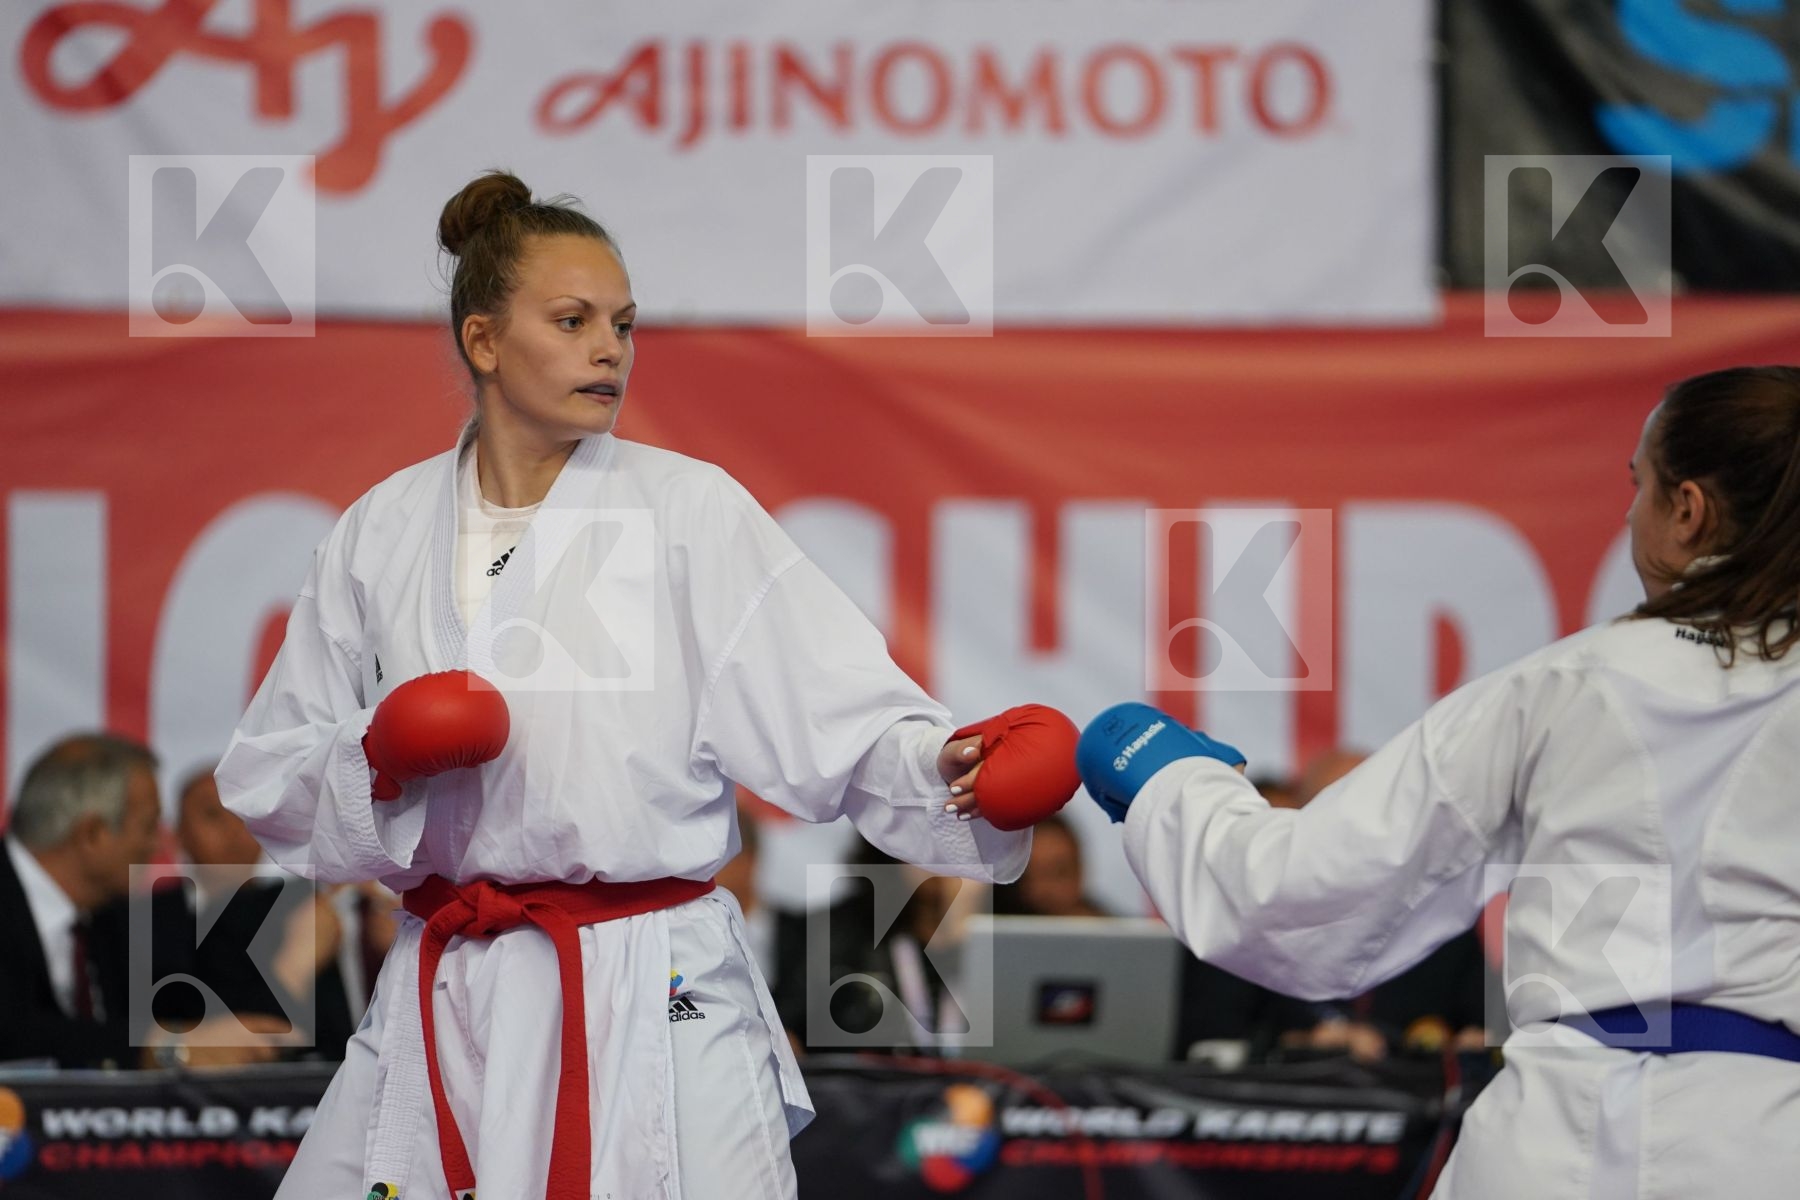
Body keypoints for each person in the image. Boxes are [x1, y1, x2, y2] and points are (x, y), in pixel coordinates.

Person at [216, 170, 1074, 1200]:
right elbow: (268, 777)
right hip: (449, 979)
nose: (609, 349)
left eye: (622, 324)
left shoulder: (688, 511)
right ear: (483, 341)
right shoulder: (380, 532)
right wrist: (376, 758)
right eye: (572, 321)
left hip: (652, 979)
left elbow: (837, 722)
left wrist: (957, 766)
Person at [1077, 365, 1800, 1198]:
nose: (1627, 514)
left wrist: (1166, 776)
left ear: (1688, 510)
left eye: (1639, 486)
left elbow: (1301, 895)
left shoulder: (1567, 687)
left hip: (1561, 1147)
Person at [0, 733, 160, 1068]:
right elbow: (12, 1034)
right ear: (92, 834)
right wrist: (158, 1048)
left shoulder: (107, 920)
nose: (157, 846)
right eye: (148, 827)